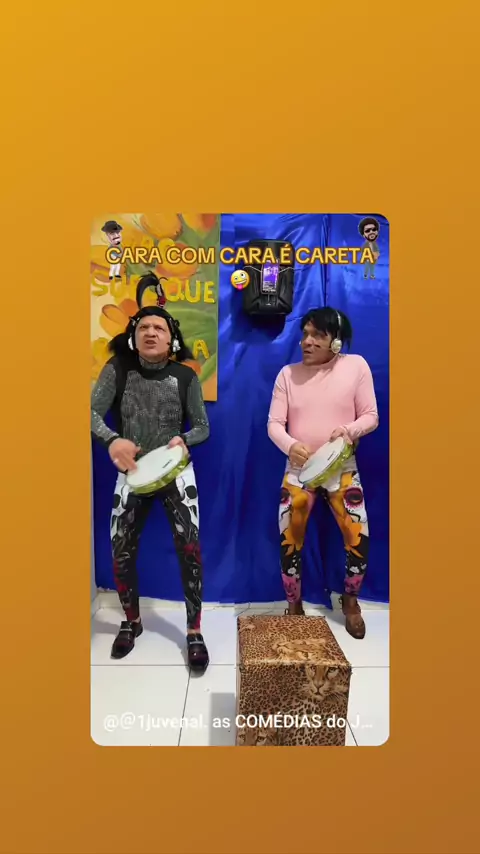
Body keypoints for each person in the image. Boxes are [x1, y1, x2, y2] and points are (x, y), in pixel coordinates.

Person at [91, 273, 210, 669]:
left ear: (171, 338)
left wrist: (184, 440)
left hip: (176, 471)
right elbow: (89, 413)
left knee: (190, 548)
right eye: (143, 327)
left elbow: (203, 427)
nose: (151, 333)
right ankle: (132, 621)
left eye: (159, 327)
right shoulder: (117, 369)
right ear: (133, 336)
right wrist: (112, 439)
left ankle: (193, 629)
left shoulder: (186, 376)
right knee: (120, 549)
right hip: (132, 471)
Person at [267, 307, 379, 639]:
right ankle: (294, 605)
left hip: (342, 469)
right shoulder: (287, 374)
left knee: (358, 537)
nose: (307, 341)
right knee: (289, 537)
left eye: (318, 335)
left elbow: (371, 415)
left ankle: (351, 601)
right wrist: (290, 445)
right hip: (298, 470)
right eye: (305, 334)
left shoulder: (356, 366)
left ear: (336, 341)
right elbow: (274, 424)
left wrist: (348, 430)